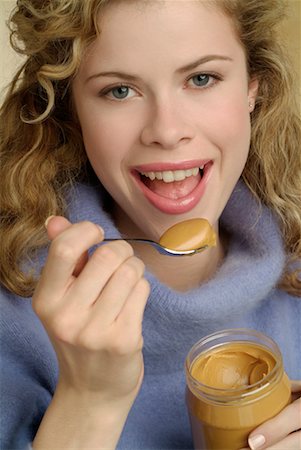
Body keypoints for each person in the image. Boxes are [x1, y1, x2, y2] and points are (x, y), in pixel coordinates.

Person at [0, 0, 300, 449]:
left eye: (201, 79)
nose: (166, 129)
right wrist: (89, 399)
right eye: (119, 90)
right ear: (73, 113)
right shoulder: (13, 314)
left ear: (251, 89)